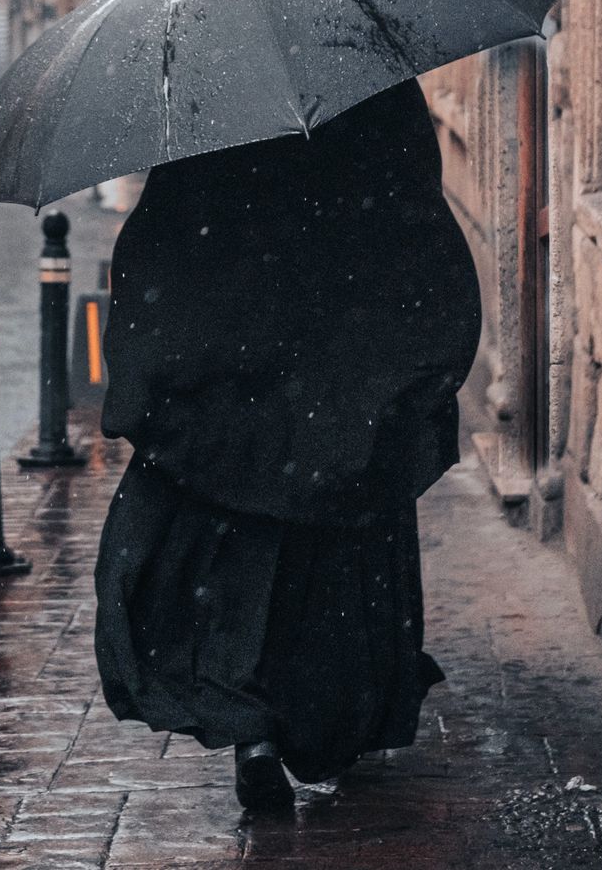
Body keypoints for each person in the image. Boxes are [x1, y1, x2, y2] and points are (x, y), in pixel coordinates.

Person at [94, 79, 482, 812]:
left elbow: (169, 236)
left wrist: (167, 367)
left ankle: (254, 730)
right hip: (343, 372)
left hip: (241, 377)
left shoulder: (216, 96)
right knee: (332, 571)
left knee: (243, 561)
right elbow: (413, 222)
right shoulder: (373, 85)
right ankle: (320, 715)